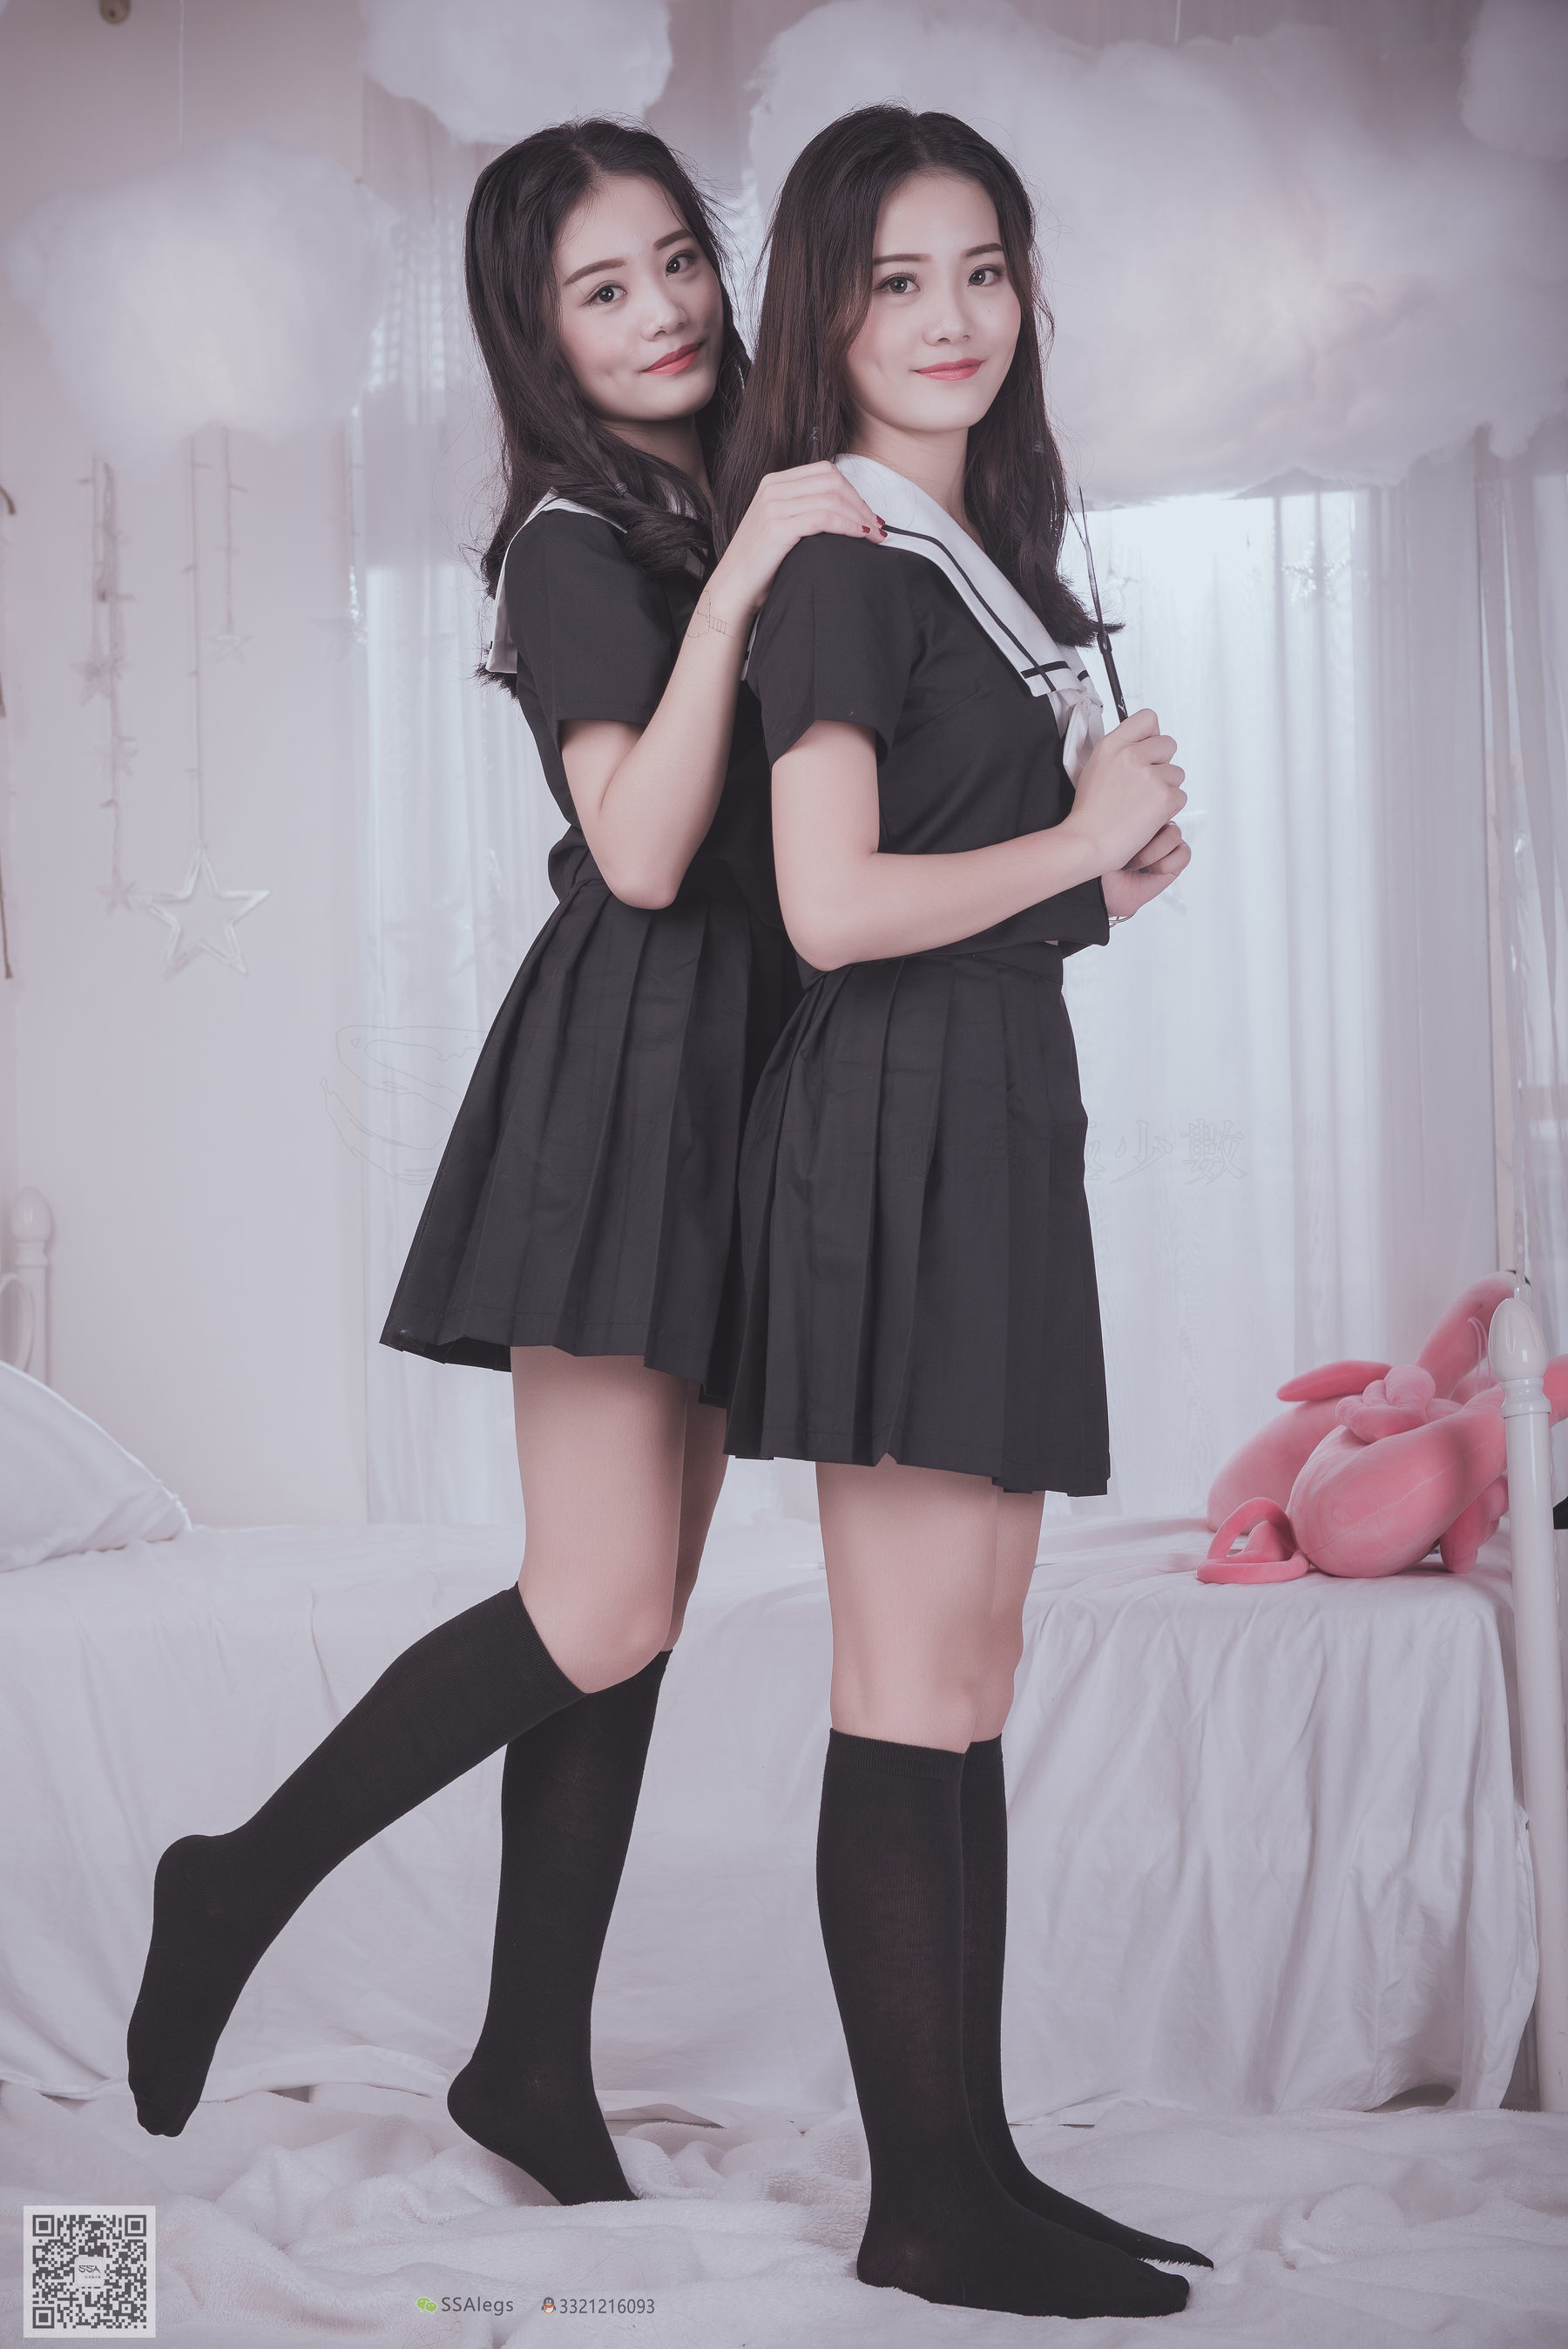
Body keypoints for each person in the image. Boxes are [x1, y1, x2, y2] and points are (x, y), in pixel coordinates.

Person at [125, 118, 878, 2205]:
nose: (663, 313)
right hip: (634, 1069)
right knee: (599, 1596)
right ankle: (235, 1877)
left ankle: (530, 2062)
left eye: (679, 262)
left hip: (750, 1069)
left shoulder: (738, 489)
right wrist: (747, 575)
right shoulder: (570, 537)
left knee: (634, 1605)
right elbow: (639, 846)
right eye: (601, 290)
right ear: (534, 334)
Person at [718, 106, 1202, 2319]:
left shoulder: (973, 563)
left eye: (984, 270)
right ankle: (923, 2209)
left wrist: (1095, 889)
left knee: (973, 1673)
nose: (952, 318)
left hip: (990, 1105)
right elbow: (830, 910)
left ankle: (976, 2163)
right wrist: (1076, 836)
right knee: (911, 1674)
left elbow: (952, 894)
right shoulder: (840, 558)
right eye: (899, 280)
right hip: (902, 1131)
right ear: (827, 312)